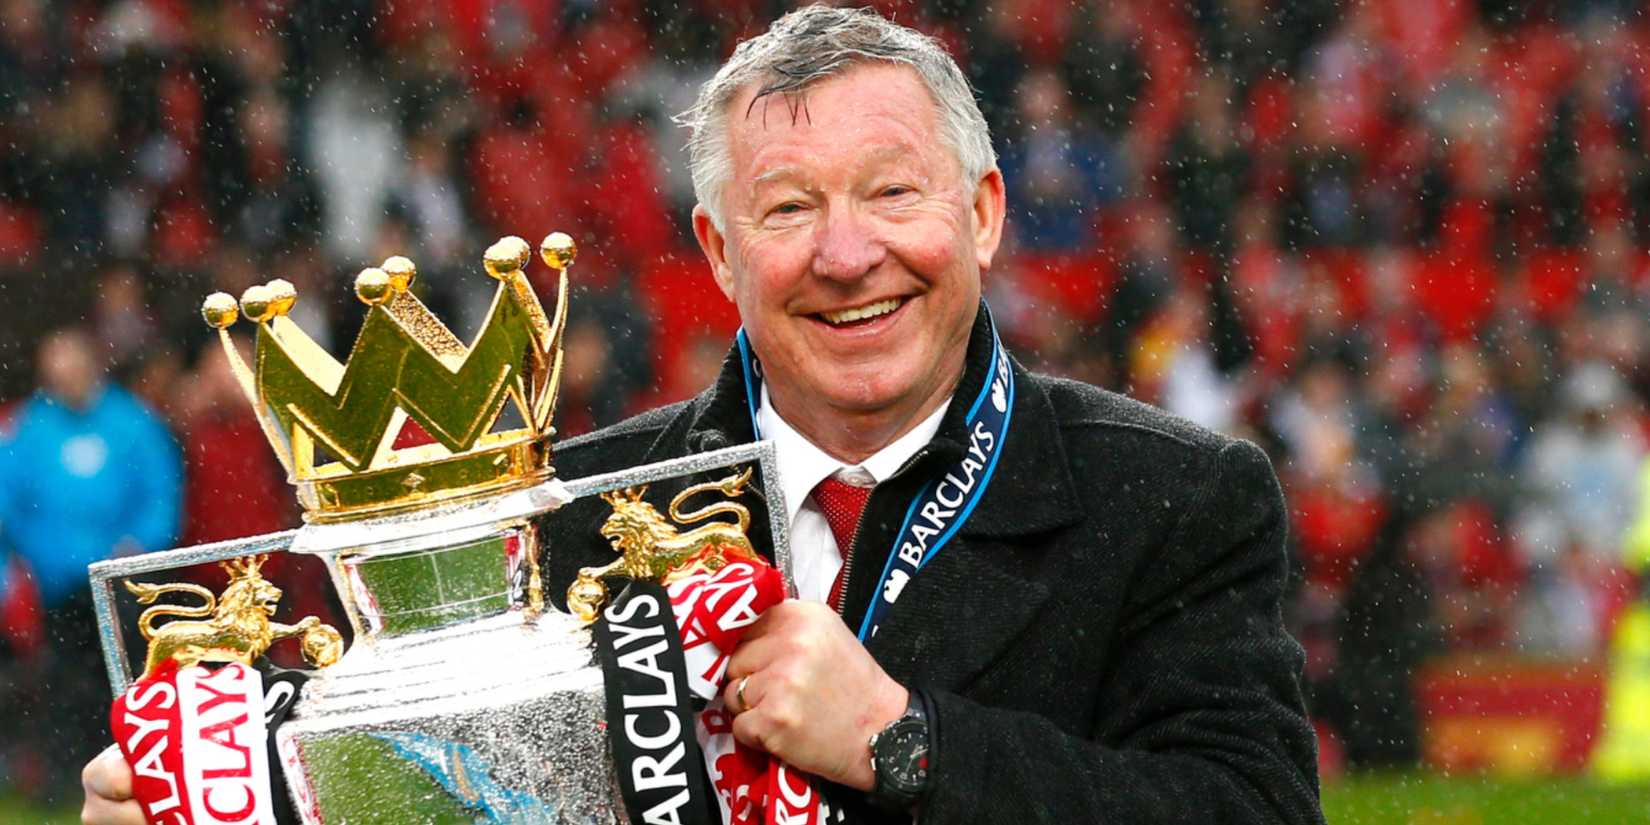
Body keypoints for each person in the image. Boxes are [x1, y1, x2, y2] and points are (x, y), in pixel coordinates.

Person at [83, 6, 1322, 823]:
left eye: (893, 193)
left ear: (985, 214)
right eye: (787, 211)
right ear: (719, 255)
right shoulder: (562, 518)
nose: (849, 254)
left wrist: (907, 744)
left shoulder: (1173, 499)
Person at [2, 327, 181, 804]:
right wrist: (29, 562)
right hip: (60, 586)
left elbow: (161, 492)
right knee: (64, 684)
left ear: (91, 364)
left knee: (128, 685)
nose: (67, 376)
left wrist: (139, 544)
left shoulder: (132, 421)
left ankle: (146, 781)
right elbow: (9, 505)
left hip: (124, 584)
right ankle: (68, 784)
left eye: (73, 365)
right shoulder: (29, 429)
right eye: (56, 368)